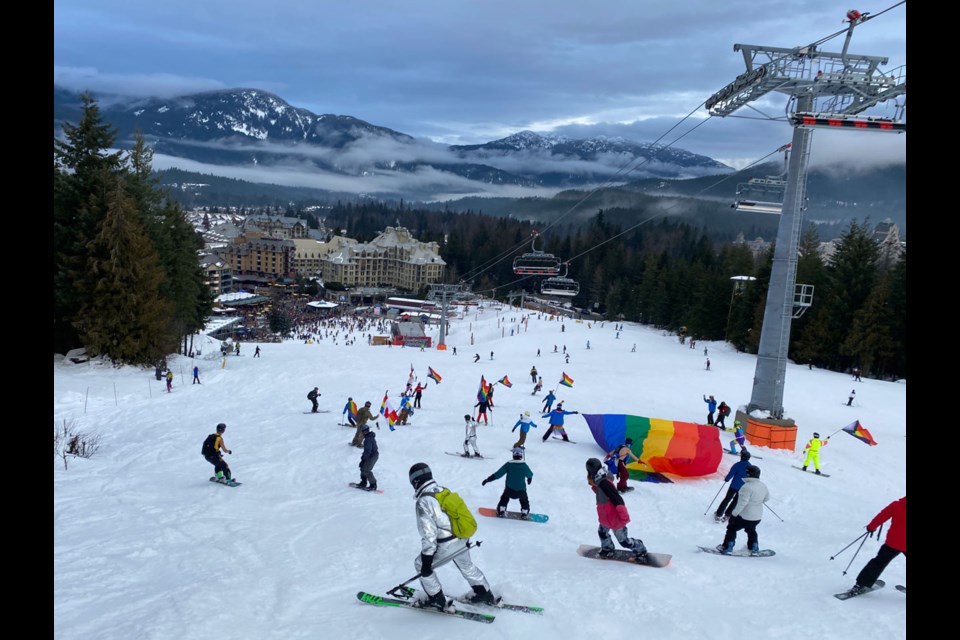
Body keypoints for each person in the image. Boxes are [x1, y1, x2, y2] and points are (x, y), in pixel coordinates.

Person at [408, 463, 495, 611]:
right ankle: (484, 593)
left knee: (419, 564)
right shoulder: (442, 490)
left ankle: (437, 599)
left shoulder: (424, 501)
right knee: (466, 565)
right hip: (462, 538)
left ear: (416, 482)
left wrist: (426, 560)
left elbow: (428, 534)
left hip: (446, 544)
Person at [585, 458, 648, 562]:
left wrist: (624, 517)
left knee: (624, 541)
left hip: (615, 520)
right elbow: (603, 495)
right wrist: (595, 488)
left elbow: (618, 500)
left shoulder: (604, 483)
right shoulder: (599, 481)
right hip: (605, 518)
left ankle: (640, 550)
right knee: (602, 533)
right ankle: (607, 549)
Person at [847, 496, 906, 596]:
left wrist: (871, 527)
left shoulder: (897, 505)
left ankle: (861, 585)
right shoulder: (896, 505)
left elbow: (881, 516)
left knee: (878, 563)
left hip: (893, 542)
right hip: (895, 542)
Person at [717, 464, 769, 556]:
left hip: (745, 516)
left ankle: (727, 547)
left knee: (732, 528)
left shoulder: (746, 487)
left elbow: (742, 503)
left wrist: (733, 515)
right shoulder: (762, 485)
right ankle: (754, 547)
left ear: (749, 475)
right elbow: (766, 498)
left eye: (746, 473)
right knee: (751, 529)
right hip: (757, 517)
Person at [482, 448, 534, 518]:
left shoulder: (509, 464)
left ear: (513, 455)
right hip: (521, 491)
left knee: (504, 498)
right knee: (524, 500)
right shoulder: (524, 466)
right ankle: (525, 512)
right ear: (521, 456)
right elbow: (529, 474)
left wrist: (488, 479)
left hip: (509, 491)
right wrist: (529, 479)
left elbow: (498, 474)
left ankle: (501, 510)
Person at [715, 450, 752, 522]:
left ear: (742, 457)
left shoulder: (737, 464)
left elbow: (731, 473)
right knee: (735, 501)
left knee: (727, 499)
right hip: (742, 488)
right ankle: (728, 515)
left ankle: (719, 514)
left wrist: (727, 479)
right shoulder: (750, 467)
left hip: (733, 486)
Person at [356, 422, 379, 491]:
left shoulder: (368, 439)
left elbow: (368, 451)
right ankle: (363, 482)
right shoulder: (369, 437)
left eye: (362, 432)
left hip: (372, 456)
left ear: (364, 431)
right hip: (370, 455)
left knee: (366, 470)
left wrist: (364, 459)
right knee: (362, 467)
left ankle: (373, 484)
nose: (361, 433)